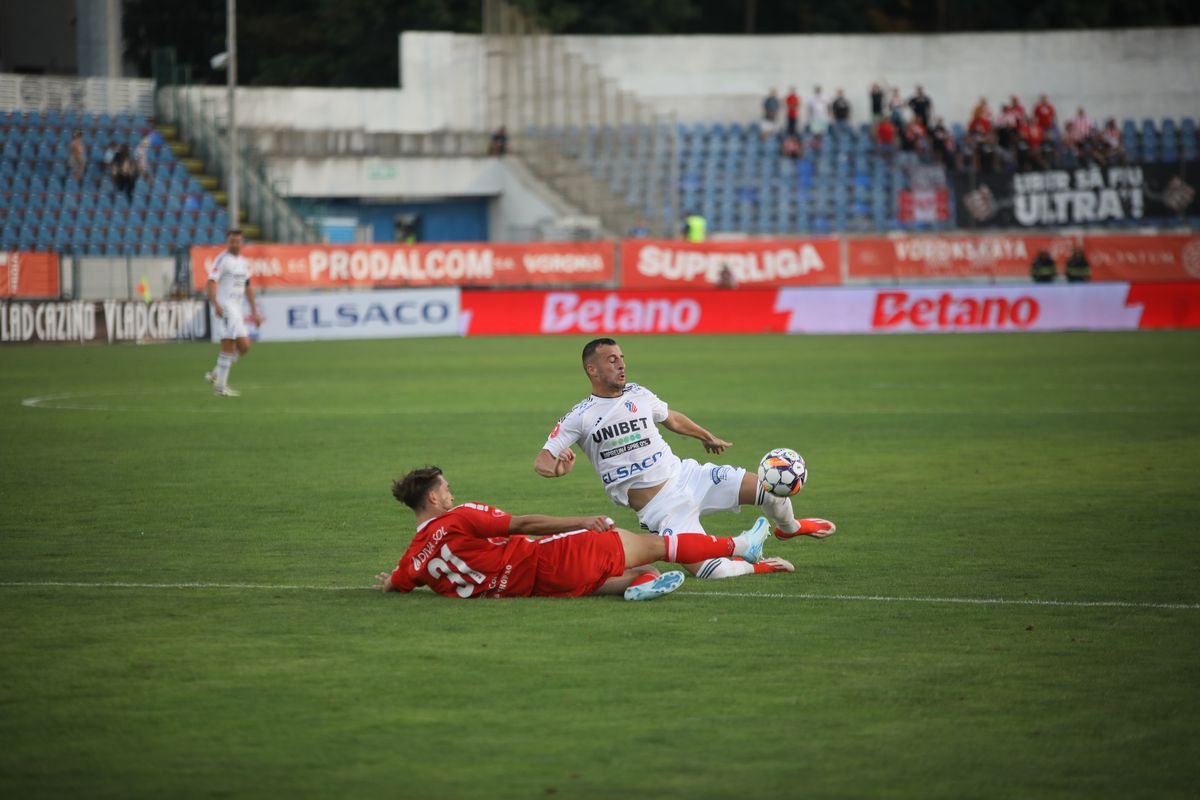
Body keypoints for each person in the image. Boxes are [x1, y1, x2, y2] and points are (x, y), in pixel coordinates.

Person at [532, 339, 836, 581]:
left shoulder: (638, 393)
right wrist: (558, 469)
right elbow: (542, 461)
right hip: (659, 508)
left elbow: (672, 419)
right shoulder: (580, 416)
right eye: (612, 360)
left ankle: (790, 527)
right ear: (592, 370)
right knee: (712, 571)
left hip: (689, 476)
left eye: (622, 358)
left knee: (769, 488)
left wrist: (705, 436)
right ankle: (760, 565)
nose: (621, 364)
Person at [375, 466, 779, 600]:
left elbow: (397, 581)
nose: (450, 492)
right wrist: (580, 522)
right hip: (548, 556)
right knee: (659, 544)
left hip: (537, 588)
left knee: (642, 567)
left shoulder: (413, 558)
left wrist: (390, 582)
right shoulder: (458, 517)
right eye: (444, 488)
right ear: (431, 497)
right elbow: (523, 524)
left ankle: (637, 586)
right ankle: (741, 545)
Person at [204, 229, 263, 397]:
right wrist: (215, 303)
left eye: (238, 241)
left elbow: (248, 286)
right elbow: (211, 282)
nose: (235, 244)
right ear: (227, 242)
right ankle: (220, 388)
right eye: (232, 241)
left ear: (242, 242)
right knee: (228, 345)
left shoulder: (243, 262)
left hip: (237, 309)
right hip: (226, 307)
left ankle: (215, 374)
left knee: (244, 346)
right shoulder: (222, 260)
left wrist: (254, 311)